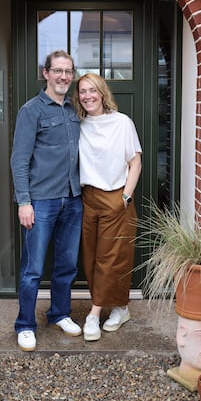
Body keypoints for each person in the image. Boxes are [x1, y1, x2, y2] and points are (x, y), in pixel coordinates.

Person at [10, 50, 84, 351]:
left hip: (73, 199)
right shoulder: (31, 110)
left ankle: (60, 313)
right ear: (46, 73)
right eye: (58, 71)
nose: (64, 76)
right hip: (41, 201)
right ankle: (25, 324)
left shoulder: (73, 110)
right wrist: (23, 201)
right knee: (33, 269)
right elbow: (19, 159)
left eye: (68, 71)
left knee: (66, 265)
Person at [72, 73, 142, 341]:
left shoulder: (121, 123)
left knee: (110, 258)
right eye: (82, 91)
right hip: (87, 198)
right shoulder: (78, 124)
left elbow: (135, 162)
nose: (87, 95)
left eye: (92, 90)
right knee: (91, 259)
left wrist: (125, 196)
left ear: (102, 93)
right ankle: (121, 308)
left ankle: (93, 314)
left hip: (115, 196)